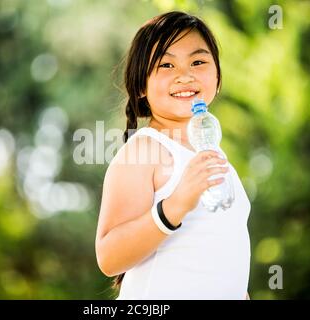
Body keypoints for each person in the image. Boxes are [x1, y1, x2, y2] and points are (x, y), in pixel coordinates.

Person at [95, 11, 251, 300]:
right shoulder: (144, 150)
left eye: (198, 62)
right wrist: (175, 206)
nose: (185, 75)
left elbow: (227, 257)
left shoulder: (215, 153)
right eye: (166, 64)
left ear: (217, 77)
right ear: (141, 85)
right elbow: (108, 256)